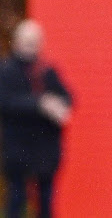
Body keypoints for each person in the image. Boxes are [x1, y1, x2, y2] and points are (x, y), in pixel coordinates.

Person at [0, 20, 73, 218]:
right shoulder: (7, 70)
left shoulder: (46, 70)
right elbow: (6, 102)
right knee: (16, 200)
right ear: (16, 41)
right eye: (27, 41)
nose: (32, 46)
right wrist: (40, 104)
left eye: (35, 42)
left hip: (45, 152)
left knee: (46, 203)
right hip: (18, 150)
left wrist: (59, 105)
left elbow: (68, 96)